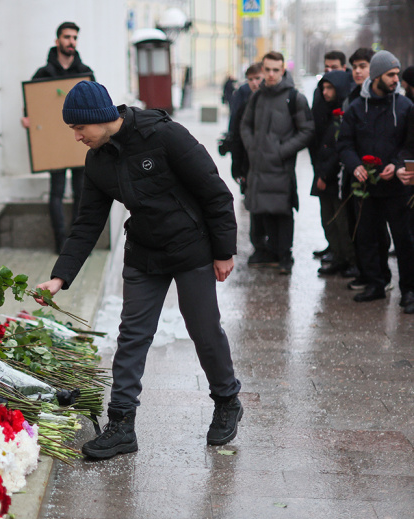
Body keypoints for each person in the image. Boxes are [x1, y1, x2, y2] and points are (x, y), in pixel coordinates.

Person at [34, 81, 243, 459]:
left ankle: (227, 400)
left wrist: (224, 250)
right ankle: (122, 425)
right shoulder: (97, 160)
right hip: (144, 252)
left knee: (204, 329)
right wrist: (60, 275)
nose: (77, 137)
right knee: (132, 334)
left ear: (99, 118)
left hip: (190, 246)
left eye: (79, 128)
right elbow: (87, 223)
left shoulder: (163, 135)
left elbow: (214, 190)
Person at [337, 50, 414, 310]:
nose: (396, 79)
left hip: (398, 189)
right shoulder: (357, 108)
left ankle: (409, 291)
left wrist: (398, 164)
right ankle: (375, 284)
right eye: (391, 74)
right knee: (368, 238)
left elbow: (410, 145)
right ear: (378, 75)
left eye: (397, 74)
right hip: (366, 188)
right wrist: (355, 165)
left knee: (404, 240)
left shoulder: (405, 107)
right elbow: (345, 144)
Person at [22, 21, 94, 254]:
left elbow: (96, 105)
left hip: (80, 143)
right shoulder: (43, 74)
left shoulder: (85, 73)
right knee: (57, 192)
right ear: (57, 41)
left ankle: (77, 243)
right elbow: (32, 107)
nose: (71, 41)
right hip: (54, 147)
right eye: (67, 37)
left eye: (74, 38)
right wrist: (28, 120)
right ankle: (60, 244)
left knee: (81, 194)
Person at [240, 51, 315, 274]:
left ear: (283, 70)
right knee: (263, 210)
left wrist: (282, 151)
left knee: (282, 212)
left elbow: (308, 130)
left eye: (276, 70)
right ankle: (270, 252)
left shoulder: (295, 97)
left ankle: (285, 256)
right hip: (259, 166)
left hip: (280, 167)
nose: (271, 74)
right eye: (267, 69)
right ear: (262, 70)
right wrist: (253, 147)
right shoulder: (257, 96)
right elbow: (245, 125)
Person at [227, 63, 274, 267]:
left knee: (271, 205)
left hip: (269, 162)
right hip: (248, 162)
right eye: (251, 79)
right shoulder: (242, 97)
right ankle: (259, 246)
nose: (255, 83)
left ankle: (274, 247)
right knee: (253, 205)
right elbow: (235, 132)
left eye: (258, 78)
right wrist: (236, 165)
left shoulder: (271, 98)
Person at [310, 70, 356, 276]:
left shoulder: (343, 114)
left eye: (330, 88)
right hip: (324, 174)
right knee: (328, 219)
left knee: (341, 221)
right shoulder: (325, 111)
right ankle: (339, 257)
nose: (326, 92)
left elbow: (339, 148)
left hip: (335, 178)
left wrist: (325, 174)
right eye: (324, 88)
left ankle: (349, 259)